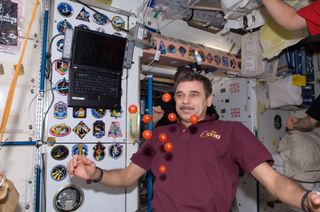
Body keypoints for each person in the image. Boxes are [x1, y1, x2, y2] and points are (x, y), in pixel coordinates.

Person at [67, 72, 320, 211]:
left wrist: (304, 199)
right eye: (180, 95)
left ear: (209, 100)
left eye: (194, 94)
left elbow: (273, 180)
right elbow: (126, 177)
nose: (185, 101)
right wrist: (96, 172)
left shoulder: (231, 132)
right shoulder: (159, 135)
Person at [152, 67, 219, 128]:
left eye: (194, 95)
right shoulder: (162, 100)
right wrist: (153, 122)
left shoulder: (203, 100)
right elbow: (149, 133)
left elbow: (214, 119)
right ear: (176, 84)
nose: (185, 101)